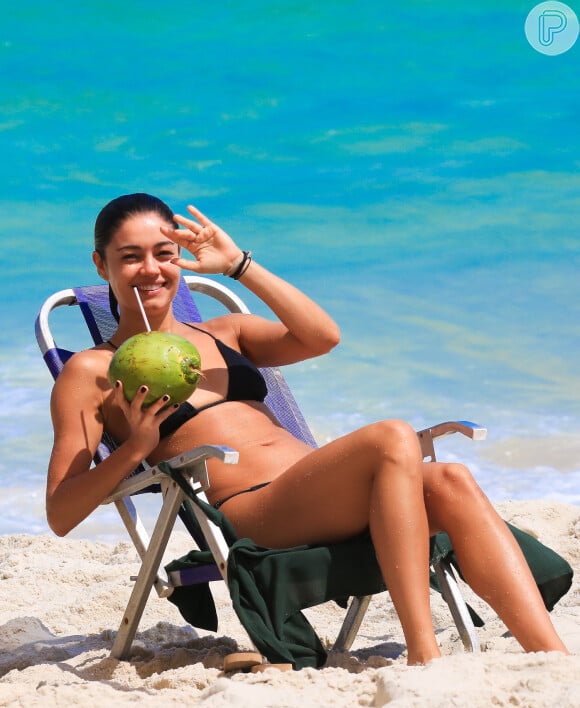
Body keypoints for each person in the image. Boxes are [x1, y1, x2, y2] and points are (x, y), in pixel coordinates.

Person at [46, 192, 569, 665]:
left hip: (323, 493)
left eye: (164, 253)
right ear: (102, 264)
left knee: (449, 479)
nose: (151, 270)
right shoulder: (92, 370)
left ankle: (552, 656)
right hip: (256, 512)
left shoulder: (224, 331)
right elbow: (62, 511)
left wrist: (239, 265)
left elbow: (323, 336)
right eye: (130, 257)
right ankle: (423, 653)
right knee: (391, 436)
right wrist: (136, 446)